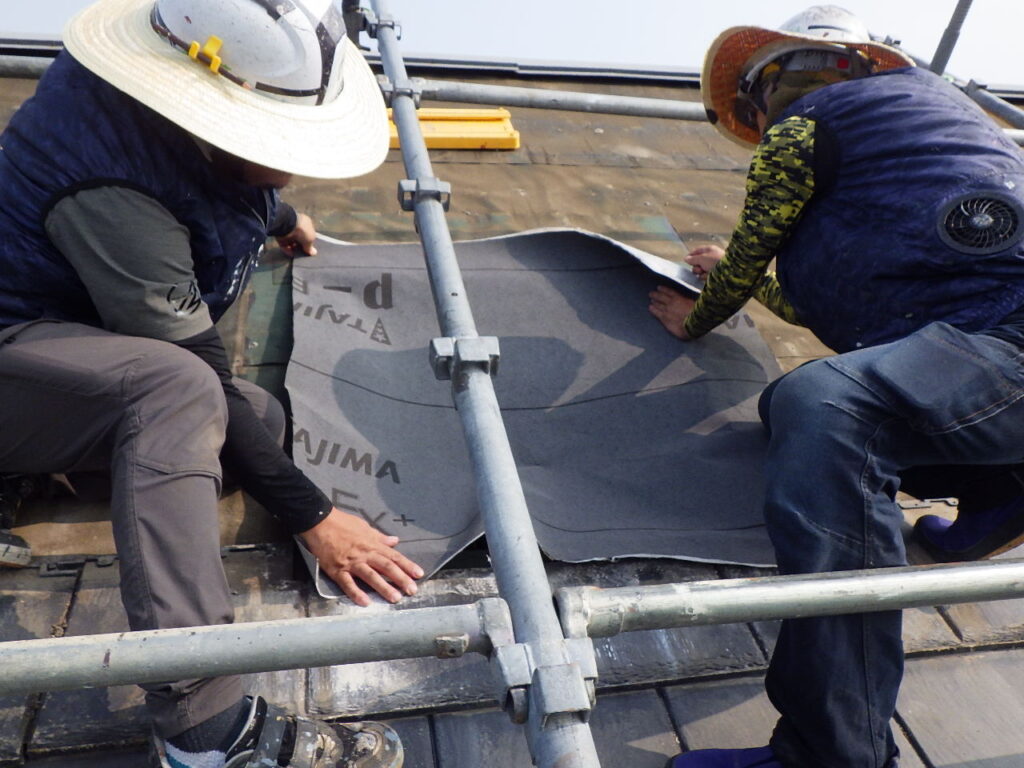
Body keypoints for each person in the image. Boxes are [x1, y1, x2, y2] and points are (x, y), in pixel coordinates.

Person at [0, 0, 424, 766]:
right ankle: (206, 729)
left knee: (252, 419)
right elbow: (196, 370)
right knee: (181, 394)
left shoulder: (180, 111)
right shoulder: (110, 187)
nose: (289, 160)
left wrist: (278, 212)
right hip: (11, 343)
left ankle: (23, 466)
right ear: (205, 114)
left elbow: (209, 173)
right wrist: (314, 516)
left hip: (52, 350)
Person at [651, 6, 1024, 768]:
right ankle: (1002, 484)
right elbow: (822, 299)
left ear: (790, 80)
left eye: (761, 96)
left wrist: (704, 312)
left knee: (824, 409)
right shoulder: (915, 152)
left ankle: (832, 753)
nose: (764, 116)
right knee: (799, 414)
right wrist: (731, 272)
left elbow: (756, 245)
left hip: (1006, 338)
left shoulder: (810, 123)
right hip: (984, 361)